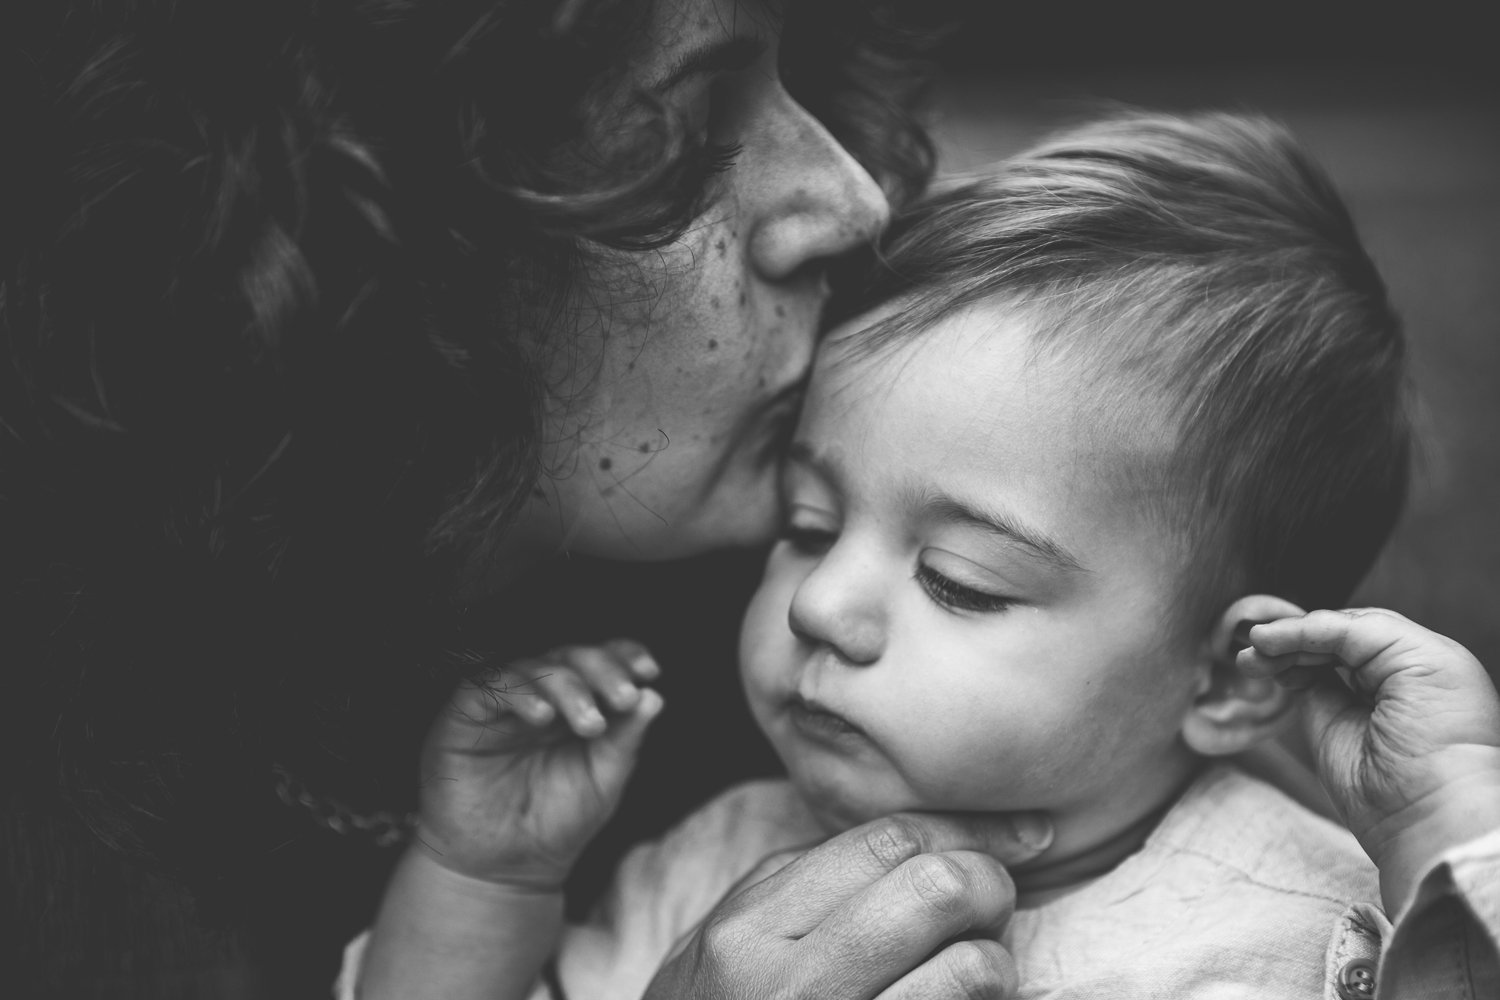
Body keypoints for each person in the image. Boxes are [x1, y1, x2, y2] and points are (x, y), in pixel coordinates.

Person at [3, 1, 1060, 996]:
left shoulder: (857, 641)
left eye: (800, 82)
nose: (853, 199)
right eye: (688, 137)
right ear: (391, 230)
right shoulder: (58, 836)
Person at [343, 111, 1500, 999]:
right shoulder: (726, 871)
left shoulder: (1303, 920)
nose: (822, 605)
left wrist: (1446, 842)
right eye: (805, 524)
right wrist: (486, 881)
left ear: (1230, 673)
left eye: (962, 580)